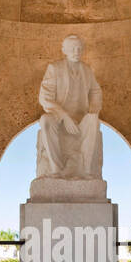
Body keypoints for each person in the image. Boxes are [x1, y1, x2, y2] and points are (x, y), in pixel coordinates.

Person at [37, 35, 102, 178]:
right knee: (45, 120)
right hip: (59, 118)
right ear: (64, 50)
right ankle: (56, 169)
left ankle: (86, 171)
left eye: (79, 48)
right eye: (72, 48)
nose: (76, 51)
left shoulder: (87, 70)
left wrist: (92, 110)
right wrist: (64, 117)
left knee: (93, 120)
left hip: (81, 118)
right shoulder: (54, 68)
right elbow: (45, 98)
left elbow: (96, 91)